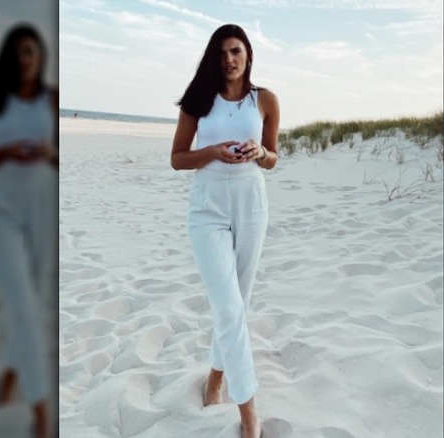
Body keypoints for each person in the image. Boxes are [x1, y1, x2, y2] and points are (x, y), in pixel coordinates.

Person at [170, 23, 279, 438]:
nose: (229, 60)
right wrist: (212, 152)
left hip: (251, 204)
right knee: (229, 308)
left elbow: (273, 158)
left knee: (239, 304)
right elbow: (178, 158)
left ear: (248, 54)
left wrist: (261, 152)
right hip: (208, 208)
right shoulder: (199, 101)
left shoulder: (265, 100)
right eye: (221, 54)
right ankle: (248, 412)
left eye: (235, 51)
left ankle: (215, 375)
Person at [0, 23, 58, 438]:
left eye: (31, 52)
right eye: (19, 52)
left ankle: (9, 373)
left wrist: (50, 152)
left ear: (40, 58)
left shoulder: (51, 100)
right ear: (9, 57)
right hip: (0, 214)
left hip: (40, 209)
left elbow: (59, 162)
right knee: (24, 309)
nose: (25, 59)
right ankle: (40, 412)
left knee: (32, 305)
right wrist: (6, 151)